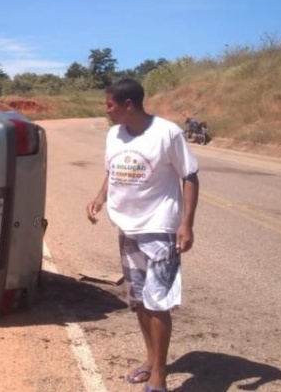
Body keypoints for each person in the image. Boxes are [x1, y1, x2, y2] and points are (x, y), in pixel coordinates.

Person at [86, 78, 199, 392]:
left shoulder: (167, 133)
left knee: (158, 301)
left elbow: (190, 176)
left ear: (128, 105)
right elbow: (114, 169)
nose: (105, 110)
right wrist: (100, 197)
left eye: (109, 105)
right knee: (139, 300)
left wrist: (186, 224)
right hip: (128, 227)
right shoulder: (114, 134)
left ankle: (159, 376)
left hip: (160, 229)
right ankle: (151, 360)